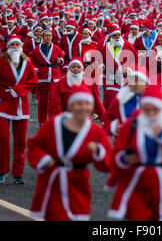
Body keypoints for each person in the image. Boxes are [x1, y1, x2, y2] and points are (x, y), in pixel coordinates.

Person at [27, 85, 111, 221]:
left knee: (78, 215)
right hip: (54, 183)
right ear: (70, 106)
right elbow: (34, 146)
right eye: (79, 104)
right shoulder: (54, 124)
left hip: (78, 184)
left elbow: (108, 163)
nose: (84, 108)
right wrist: (43, 159)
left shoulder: (95, 131)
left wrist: (98, 152)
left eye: (88, 104)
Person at [108, 85, 162, 221]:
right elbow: (116, 153)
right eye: (147, 110)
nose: (151, 113)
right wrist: (124, 158)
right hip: (137, 182)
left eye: (155, 110)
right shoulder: (132, 125)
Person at [0, 35, 38, 184]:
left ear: (20, 46)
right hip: (3, 102)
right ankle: (2, 171)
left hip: (21, 104)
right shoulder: (0, 61)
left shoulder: (27, 62)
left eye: (17, 44)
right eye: (12, 44)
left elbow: (33, 80)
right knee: (2, 138)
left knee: (20, 141)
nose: (15, 47)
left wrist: (19, 90)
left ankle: (18, 172)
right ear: (8, 47)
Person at [31, 29, 64, 125]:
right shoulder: (37, 49)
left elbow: (62, 59)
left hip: (54, 76)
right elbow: (31, 60)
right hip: (43, 76)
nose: (48, 37)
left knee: (54, 99)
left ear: (52, 37)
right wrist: (34, 68)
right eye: (46, 35)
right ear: (43, 37)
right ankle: (42, 121)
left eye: (49, 35)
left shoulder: (57, 48)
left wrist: (60, 60)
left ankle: (55, 120)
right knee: (43, 100)